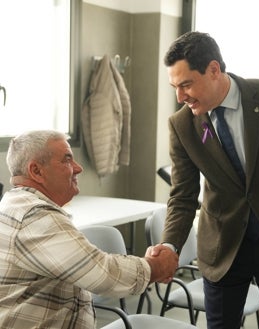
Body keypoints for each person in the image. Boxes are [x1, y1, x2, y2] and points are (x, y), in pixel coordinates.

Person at [154, 31, 259, 328]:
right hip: (223, 250)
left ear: (213, 70)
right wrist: (169, 246)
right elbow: (182, 195)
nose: (180, 97)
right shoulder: (182, 125)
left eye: (186, 84)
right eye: (175, 86)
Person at [0, 130, 178, 329]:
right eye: (67, 160)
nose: (78, 168)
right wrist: (158, 266)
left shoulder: (17, 203)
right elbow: (104, 274)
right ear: (36, 171)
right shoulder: (34, 217)